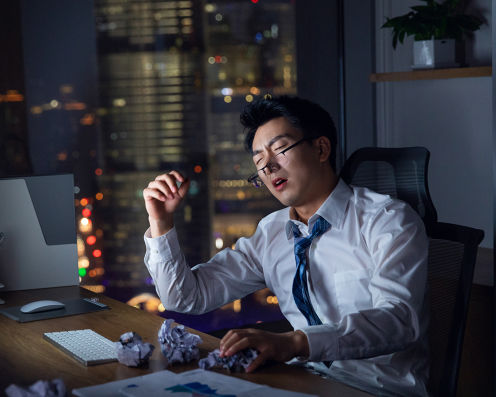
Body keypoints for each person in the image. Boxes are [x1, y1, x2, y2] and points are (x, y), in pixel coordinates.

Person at [142, 95, 429, 396]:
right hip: (300, 382)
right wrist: (160, 221)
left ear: (321, 148)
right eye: (259, 162)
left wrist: (294, 343)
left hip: (375, 389)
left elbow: (398, 320)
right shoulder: (272, 232)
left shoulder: (387, 221)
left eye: (280, 149)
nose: (268, 166)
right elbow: (186, 298)